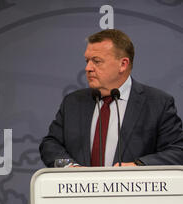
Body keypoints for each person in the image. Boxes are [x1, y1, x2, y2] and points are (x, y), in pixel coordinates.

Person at [39, 29, 183, 168]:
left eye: (96, 61)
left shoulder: (157, 103)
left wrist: (138, 166)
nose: (88, 68)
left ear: (123, 64)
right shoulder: (73, 102)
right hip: (81, 191)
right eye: (87, 61)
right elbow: (51, 144)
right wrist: (70, 166)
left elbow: (177, 150)